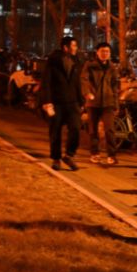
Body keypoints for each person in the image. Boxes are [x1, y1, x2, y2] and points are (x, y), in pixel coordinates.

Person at [39, 36, 82, 171]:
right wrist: (47, 102)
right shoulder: (53, 62)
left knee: (75, 128)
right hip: (56, 102)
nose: (76, 48)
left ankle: (69, 155)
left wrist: (81, 101)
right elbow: (46, 83)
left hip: (73, 102)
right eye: (74, 45)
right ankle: (56, 158)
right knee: (55, 131)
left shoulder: (76, 61)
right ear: (66, 47)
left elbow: (77, 83)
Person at [81, 42, 121, 165]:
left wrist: (116, 103)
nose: (105, 54)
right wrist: (87, 93)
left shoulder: (112, 67)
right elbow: (83, 80)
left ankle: (111, 155)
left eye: (107, 52)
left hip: (108, 102)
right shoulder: (89, 66)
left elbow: (115, 86)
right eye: (102, 51)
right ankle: (94, 153)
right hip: (93, 103)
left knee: (110, 130)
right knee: (93, 130)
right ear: (97, 52)